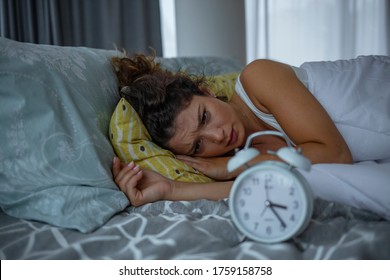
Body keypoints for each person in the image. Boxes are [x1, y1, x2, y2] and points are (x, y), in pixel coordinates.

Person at [111, 53, 390, 219]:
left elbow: (335, 153)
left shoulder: (258, 77)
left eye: (204, 116)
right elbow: (258, 185)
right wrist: (170, 190)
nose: (217, 137)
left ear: (206, 91)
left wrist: (244, 166)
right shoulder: (241, 153)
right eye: (198, 145)